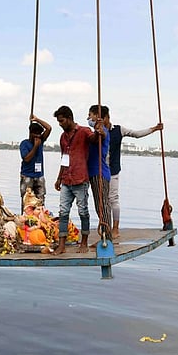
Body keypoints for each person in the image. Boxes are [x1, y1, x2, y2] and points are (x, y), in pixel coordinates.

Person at [102, 106, 163, 238]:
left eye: (102, 118)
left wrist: (154, 129)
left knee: (113, 199)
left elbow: (136, 134)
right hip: (100, 171)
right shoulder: (97, 132)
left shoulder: (118, 130)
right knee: (102, 200)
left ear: (107, 117)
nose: (99, 121)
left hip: (113, 170)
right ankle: (105, 227)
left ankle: (115, 228)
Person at [52, 105, 106, 255]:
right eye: (59, 122)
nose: (60, 124)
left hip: (80, 179)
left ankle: (84, 242)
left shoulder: (83, 131)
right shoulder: (63, 137)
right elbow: (64, 158)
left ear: (69, 118)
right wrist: (58, 178)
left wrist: (99, 130)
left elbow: (94, 139)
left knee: (83, 211)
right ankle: (61, 245)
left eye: (62, 121)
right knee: (63, 212)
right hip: (66, 179)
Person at [87, 105, 112, 241]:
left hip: (99, 173)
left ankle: (107, 239)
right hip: (94, 172)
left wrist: (99, 128)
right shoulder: (95, 130)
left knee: (102, 206)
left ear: (97, 116)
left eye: (90, 115)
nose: (89, 118)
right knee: (100, 206)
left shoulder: (103, 130)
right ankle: (105, 236)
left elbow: (102, 133)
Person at [19, 114, 52, 212]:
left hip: (39, 176)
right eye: (36, 134)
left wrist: (37, 119)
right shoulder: (24, 144)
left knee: (40, 201)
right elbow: (27, 159)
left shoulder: (41, 140)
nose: (38, 136)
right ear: (31, 133)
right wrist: (35, 147)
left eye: (39, 134)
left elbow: (49, 128)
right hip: (27, 176)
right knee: (26, 202)